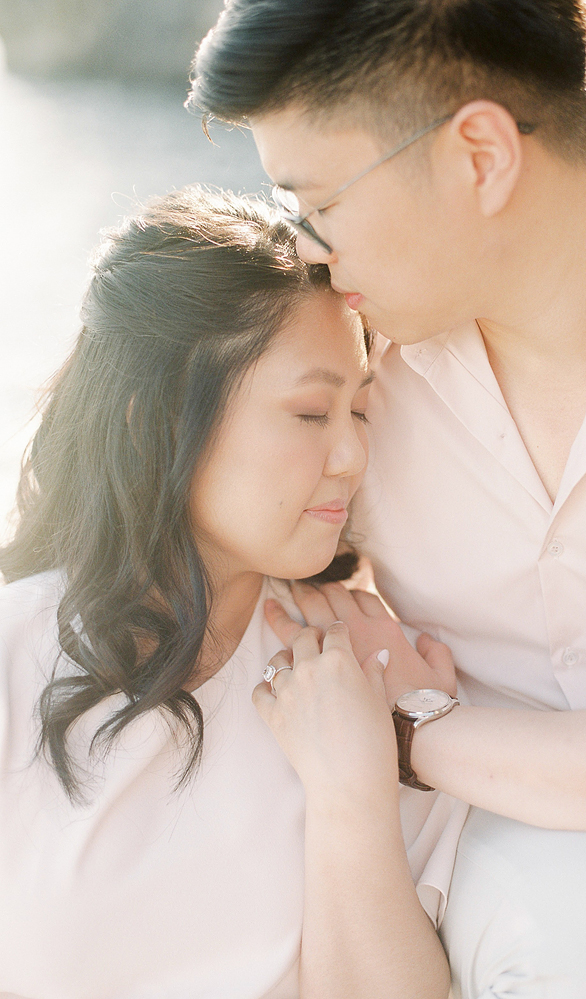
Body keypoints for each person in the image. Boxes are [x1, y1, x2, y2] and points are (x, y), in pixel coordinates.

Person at [187, 2, 586, 996]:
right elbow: (180, 528)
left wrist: (409, 732)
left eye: (317, 201)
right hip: (499, 862)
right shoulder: (350, 371)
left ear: (479, 154)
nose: (307, 249)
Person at [0, 189, 465, 998]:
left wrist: (351, 791)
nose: (353, 453)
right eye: (311, 412)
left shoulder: (372, 670)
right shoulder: (16, 655)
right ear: (158, 420)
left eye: (359, 409)